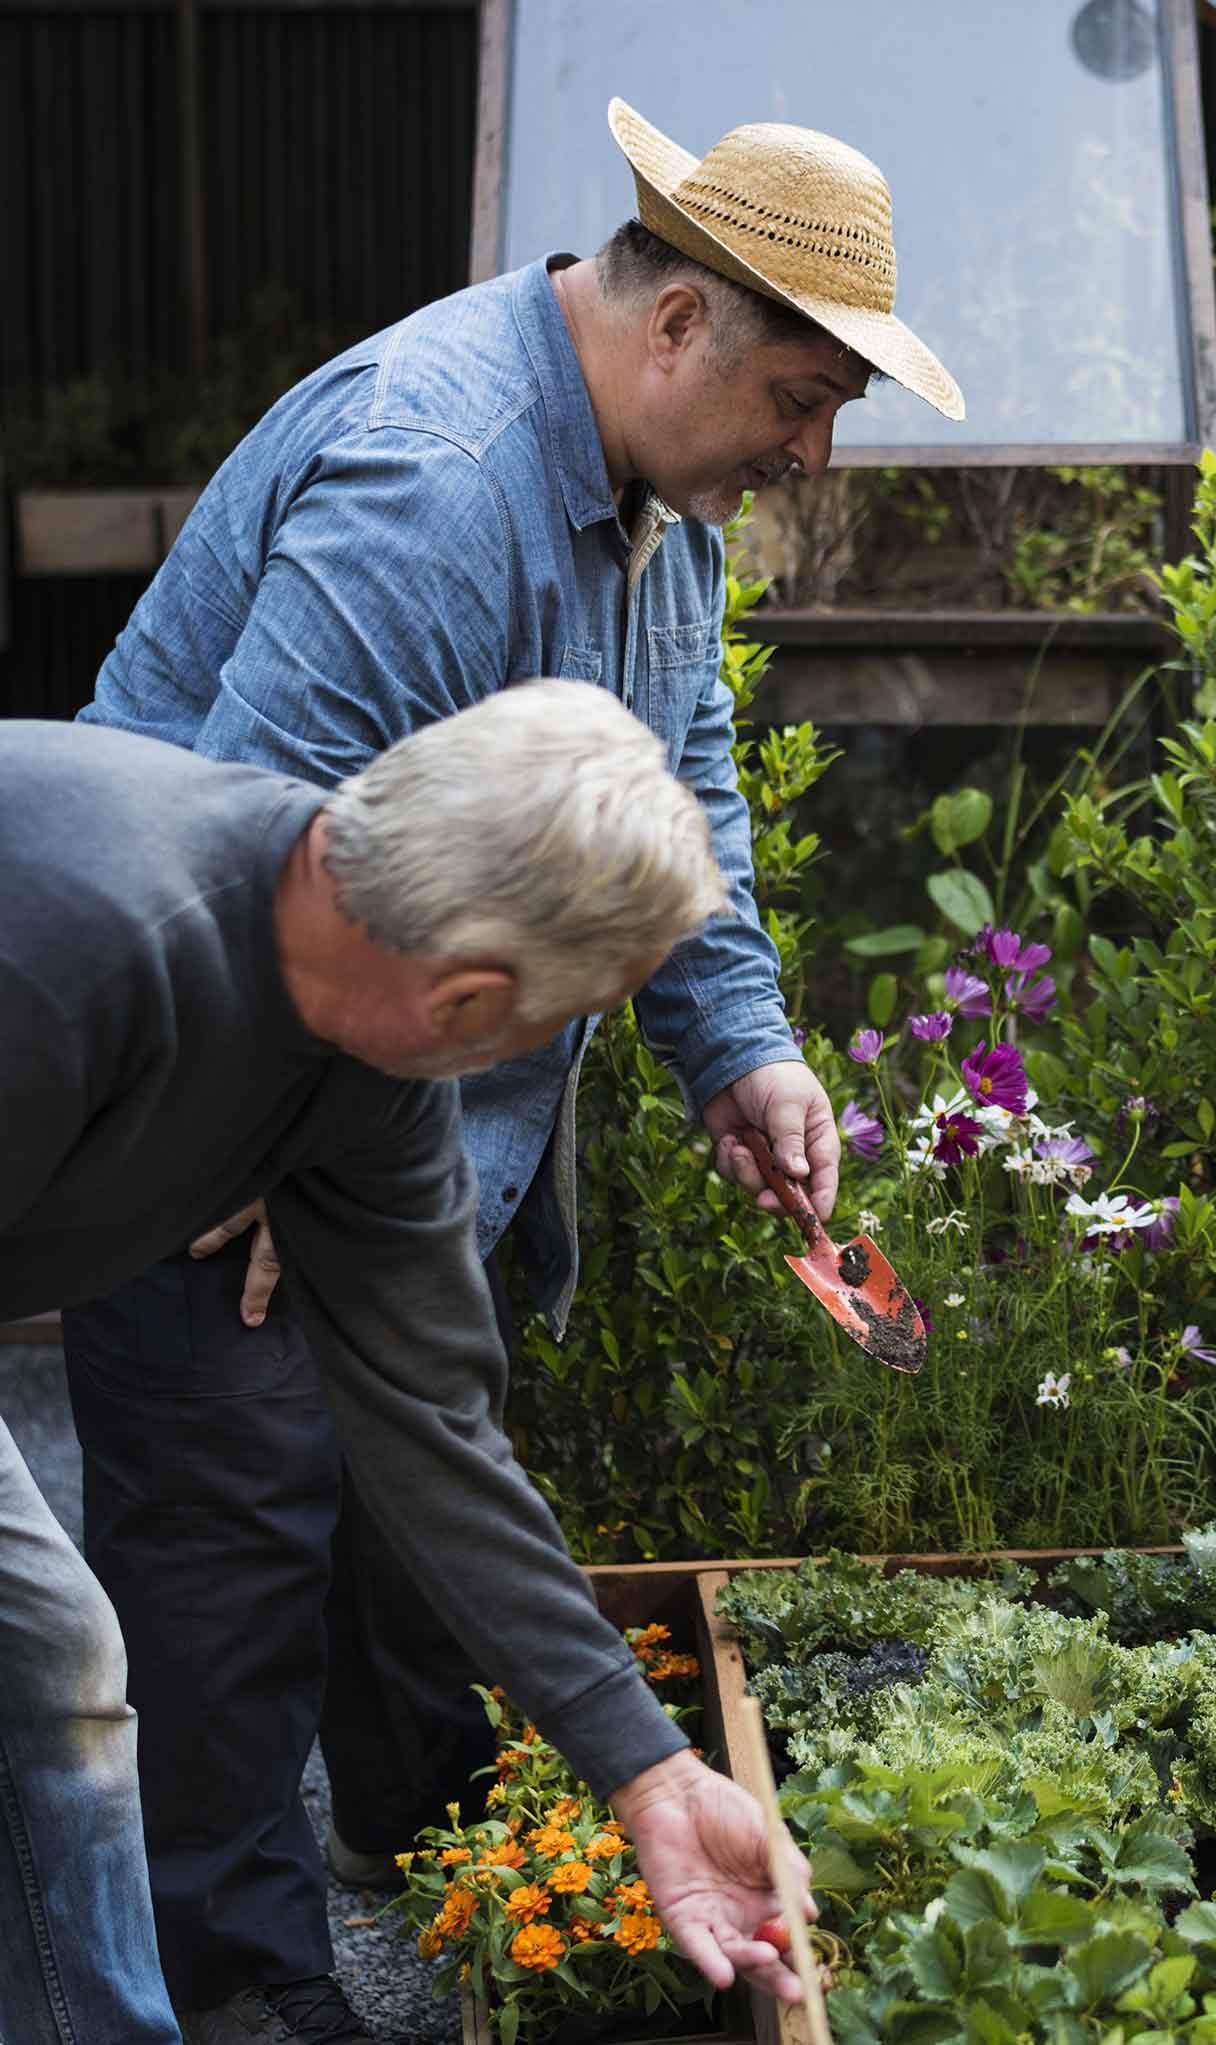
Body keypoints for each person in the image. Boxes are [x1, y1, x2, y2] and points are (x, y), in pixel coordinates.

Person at [69, 99, 960, 2043]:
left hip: (399, 1110)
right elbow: (254, 830)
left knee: (422, 1475)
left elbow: (681, 770)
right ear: (678, 326)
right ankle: (247, 1991)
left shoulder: (659, 504)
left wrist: (737, 1043)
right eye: (803, 400)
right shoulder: (436, 483)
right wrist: (255, 1145)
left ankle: (445, 1850)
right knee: (228, 1547)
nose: (810, 454)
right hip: (200, 1110)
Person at [0, 686, 815, 2045]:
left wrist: (654, 1776)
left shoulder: (366, 1065)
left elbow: (435, 1431)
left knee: (52, 1659)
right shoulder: (80, 952)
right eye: (554, 1028)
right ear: (471, 1000)